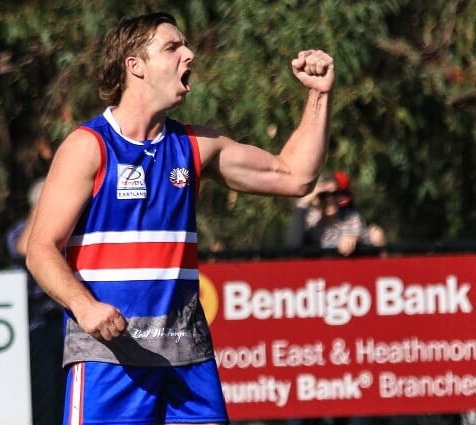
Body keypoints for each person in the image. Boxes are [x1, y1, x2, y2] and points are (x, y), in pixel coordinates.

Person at [25, 11, 334, 425]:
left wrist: (318, 96)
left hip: (188, 361)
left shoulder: (194, 145)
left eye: (185, 46)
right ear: (134, 66)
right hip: (110, 360)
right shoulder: (89, 146)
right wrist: (85, 307)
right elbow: (41, 249)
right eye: (172, 47)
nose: (189, 54)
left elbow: (296, 176)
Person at [5, 178, 64, 425]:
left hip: (70, 319)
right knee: (46, 392)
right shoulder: (20, 230)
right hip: (38, 322)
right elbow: (24, 249)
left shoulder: (68, 228)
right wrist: (40, 211)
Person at [284, 172, 383, 256]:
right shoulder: (310, 221)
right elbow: (293, 247)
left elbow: (365, 245)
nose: (329, 199)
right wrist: (303, 204)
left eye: (334, 194)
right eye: (323, 195)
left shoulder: (351, 217)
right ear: (314, 199)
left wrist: (355, 240)